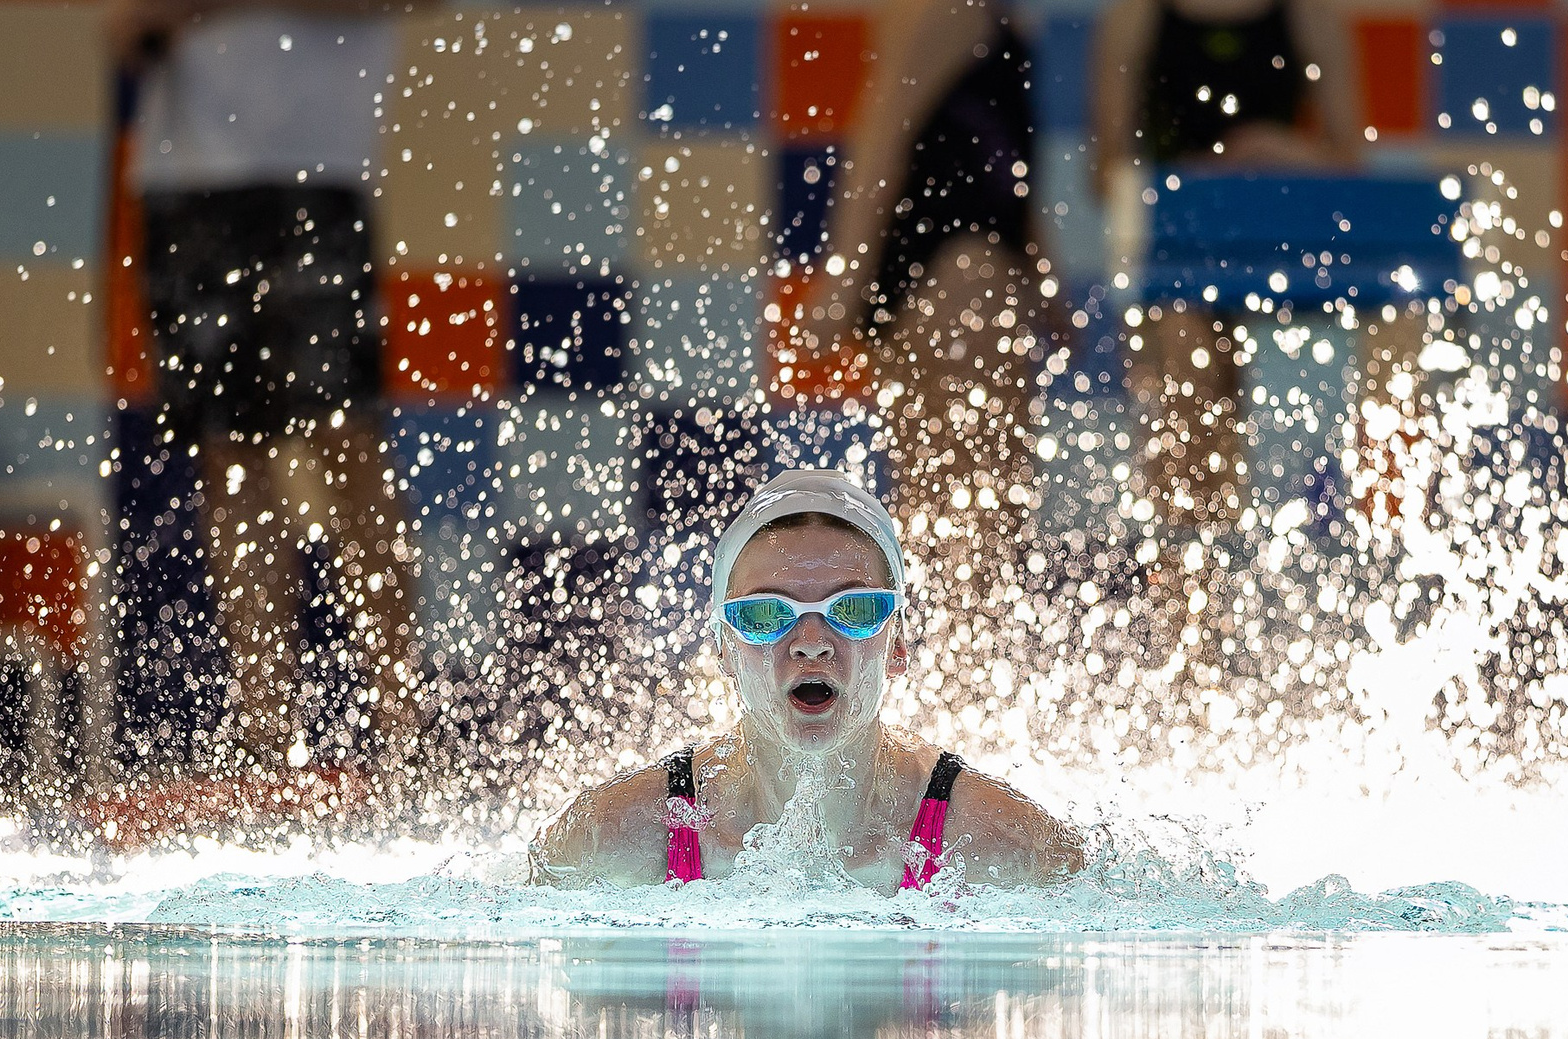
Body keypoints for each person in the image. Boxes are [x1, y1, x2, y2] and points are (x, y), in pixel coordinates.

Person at [115, 0, 419, 770]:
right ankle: (264, 737)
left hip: (318, 171)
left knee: (346, 446)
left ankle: (406, 730)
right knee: (230, 457)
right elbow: (125, 28)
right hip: (188, 178)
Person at [531, 470, 1080, 890]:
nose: (811, 640)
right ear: (723, 648)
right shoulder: (612, 838)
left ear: (899, 645)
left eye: (856, 608)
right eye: (767, 613)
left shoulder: (1001, 845)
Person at [1090, 0, 1360, 623]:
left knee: (1221, 432)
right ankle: (1188, 621)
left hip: (1272, 256)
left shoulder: (1308, 16)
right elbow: (1109, 175)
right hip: (1170, 256)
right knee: (1187, 401)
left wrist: (1273, 147)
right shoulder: (1137, 17)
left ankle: (1213, 622)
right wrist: (1200, 177)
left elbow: (1348, 164)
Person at [801, 0, 1052, 636]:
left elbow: (1009, 167)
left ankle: (952, 657)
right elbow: (882, 141)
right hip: (958, 272)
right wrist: (845, 277)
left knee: (948, 493)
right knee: (974, 492)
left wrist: (1046, 274)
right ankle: (965, 656)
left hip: (949, 272)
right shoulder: (950, 13)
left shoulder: (998, 21)